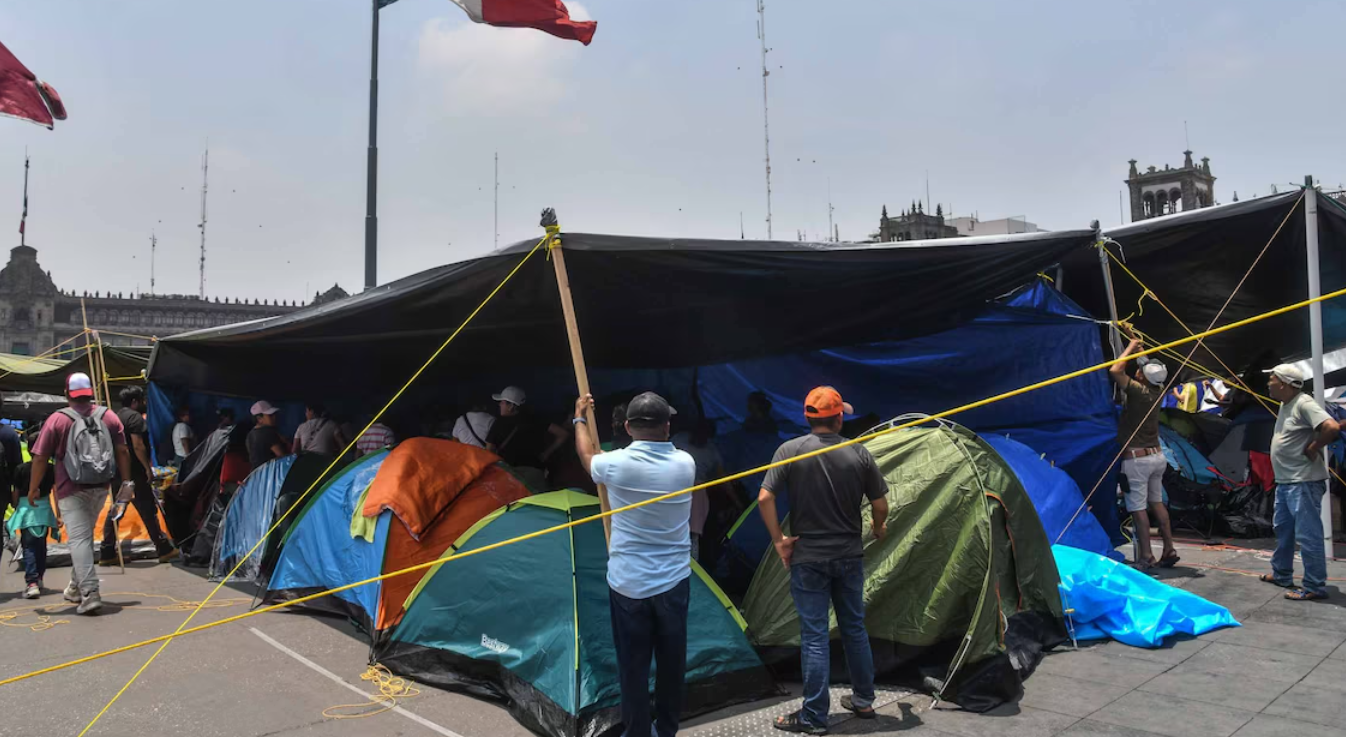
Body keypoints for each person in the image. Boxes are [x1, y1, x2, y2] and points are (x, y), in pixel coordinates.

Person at [757, 387, 888, 734]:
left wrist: (779, 541)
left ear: (808, 418)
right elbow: (880, 504)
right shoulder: (857, 452)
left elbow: (764, 497)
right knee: (854, 628)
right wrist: (878, 528)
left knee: (815, 636)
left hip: (809, 558)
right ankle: (863, 700)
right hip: (848, 555)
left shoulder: (789, 451)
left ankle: (815, 717)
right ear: (840, 417)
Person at [574, 391, 695, 737]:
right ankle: (667, 730)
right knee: (671, 665)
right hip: (673, 583)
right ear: (667, 426)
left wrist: (579, 418)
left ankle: (639, 731)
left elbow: (587, 456)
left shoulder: (616, 465)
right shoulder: (685, 464)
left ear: (627, 427)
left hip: (628, 585)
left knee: (633, 666)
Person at [29, 373, 134, 615]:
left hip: (70, 489)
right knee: (84, 537)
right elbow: (123, 450)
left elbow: (40, 457)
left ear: (67, 393)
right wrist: (126, 482)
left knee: (78, 539)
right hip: (100, 485)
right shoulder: (108, 416)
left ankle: (90, 592)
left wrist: (34, 487)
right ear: (90, 392)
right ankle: (76, 588)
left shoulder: (57, 420)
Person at [1261, 364, 1341, 601]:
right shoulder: (1286, 404)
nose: (1268, 383)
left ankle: (1314, 585)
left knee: (1308, 534)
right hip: (1288, 481)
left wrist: (1315, 446)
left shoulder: (1304, 403)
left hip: (1303, 481)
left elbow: (1331, 427)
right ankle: (1282, 573)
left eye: (1272, 379)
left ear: (1284, 383)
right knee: (1283, 530)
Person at [1109, 328, 1180, 569]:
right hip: (1157, 456)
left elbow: (1115, 370)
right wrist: (1137, 344)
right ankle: (1169, 548)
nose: (1137, 370)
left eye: (1138, 371)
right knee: (1157, 503)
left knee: (1138, 508)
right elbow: (1148, 367)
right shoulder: (1158, 389)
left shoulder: (1138, 392)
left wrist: (1129, 347)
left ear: (1141, 377)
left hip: (1137, 460)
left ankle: (1146, 555)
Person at [99, 386, 177, 566]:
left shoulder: (113, 418)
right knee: (147, 509)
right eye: (142, 400)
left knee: (116, 510)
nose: (144, 403)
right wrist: (147, 468)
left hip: (117, 473)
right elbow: (138, 445)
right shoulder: (134, 418)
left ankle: (107, 551)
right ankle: (163, 549)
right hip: (134, 473)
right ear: (135, 401)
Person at [7, 427, 55, 599]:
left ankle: (32, 582)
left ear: (28, 449)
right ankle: (39, 578)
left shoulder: (20, 469)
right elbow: (55, 491)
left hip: (27, 512)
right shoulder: (51, 469)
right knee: (41, 546)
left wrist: (14, 505)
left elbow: (16, 490)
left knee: (28, 547)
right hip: (45, 511)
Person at [672, 417, 728, 562]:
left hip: (691, 492)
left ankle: (690, 565)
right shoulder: (680, 439)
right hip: (681, 489)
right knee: (685, 533)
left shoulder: (711, 450)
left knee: (690, 534)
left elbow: (723, 479)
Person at [485, 386, 567, 485]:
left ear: (511, 406)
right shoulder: (536, 419)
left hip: (509, 474)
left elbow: (488, 451)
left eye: (502, 402)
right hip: (534, 473)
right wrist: (546, 454)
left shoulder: (498, 424)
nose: (499, 405)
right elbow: (563, 434)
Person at [247, 400, 290, 469]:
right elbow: (283, 457)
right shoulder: (268, 433)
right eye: (270, 416)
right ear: (259, 419)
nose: (274, 417)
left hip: (255, 475)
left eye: (274, 414)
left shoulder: (250, 434)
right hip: (270, 475)